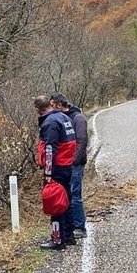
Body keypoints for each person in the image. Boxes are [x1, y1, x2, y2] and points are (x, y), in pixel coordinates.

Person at [34, 94, 77, 250]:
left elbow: (50, 149)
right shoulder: (65, 118)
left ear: (39, 110)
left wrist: (48, 173)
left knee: (55, 203)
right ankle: (69, 235)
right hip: (67, 166)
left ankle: (57, 240)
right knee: (67, 200)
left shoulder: (50, 123)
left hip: (57, 168)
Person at [52, 93, 88, 239]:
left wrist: (73, 161)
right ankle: (72, 226)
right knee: (69, 195)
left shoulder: (77, 118)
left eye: (53, 106)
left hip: (75, 164)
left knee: (75, 195)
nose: (52, 109)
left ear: (60, 105)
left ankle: (80, 226)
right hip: (67, 164)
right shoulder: (64, 118)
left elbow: (82, 141)